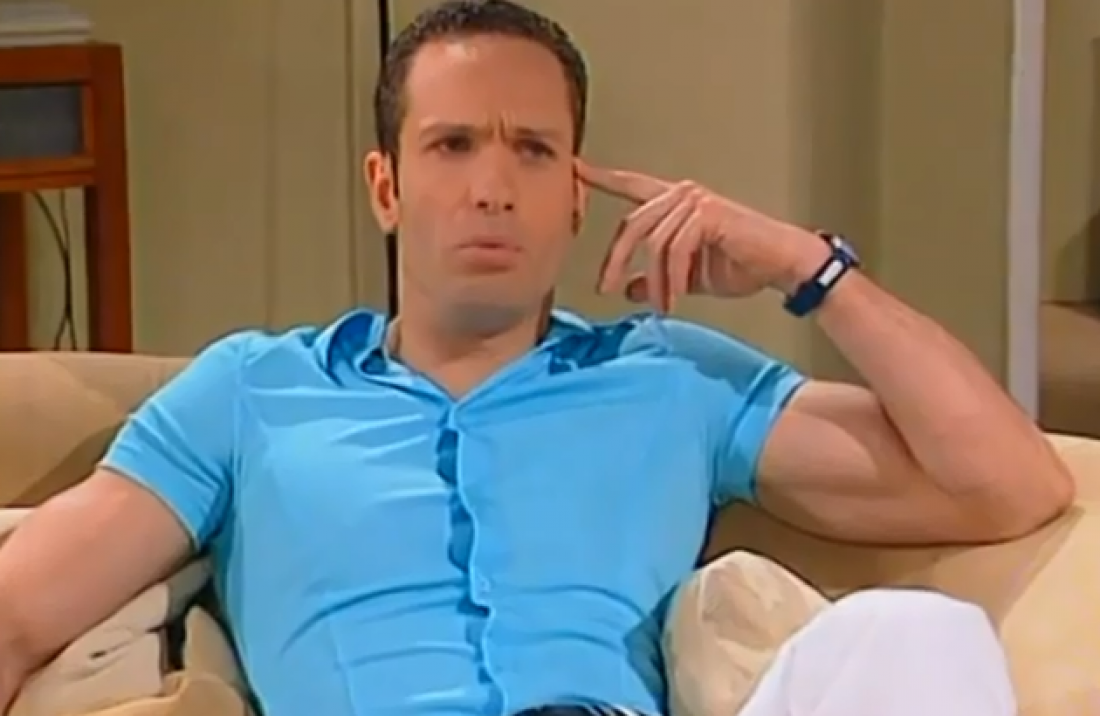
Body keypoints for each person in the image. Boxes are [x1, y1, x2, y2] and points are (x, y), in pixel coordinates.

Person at [0, 1, 1073, 715]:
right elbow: (16, 609)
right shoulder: (253, 391)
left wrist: (804, 266)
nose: (492, 188)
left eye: (532, 151)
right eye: (452, 145)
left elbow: (1009, 484)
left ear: (574, 193)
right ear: (386, 186)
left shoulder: (672, 381)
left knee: (916, 634)